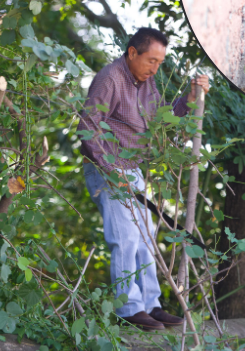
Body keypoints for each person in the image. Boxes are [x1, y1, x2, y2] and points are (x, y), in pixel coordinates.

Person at [78, 28, 210, 332]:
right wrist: (111, 170)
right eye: (151, 60)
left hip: (132, 170)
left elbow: (162, 123)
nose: (155, 68)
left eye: (160, 62)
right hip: (107, 170)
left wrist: (190, 98)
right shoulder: (110, 77)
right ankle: (129, 309)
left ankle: (150, 305)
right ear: (132, 52)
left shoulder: (147, 83)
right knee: (124, 238)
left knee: (145, 240)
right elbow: (87, 126)